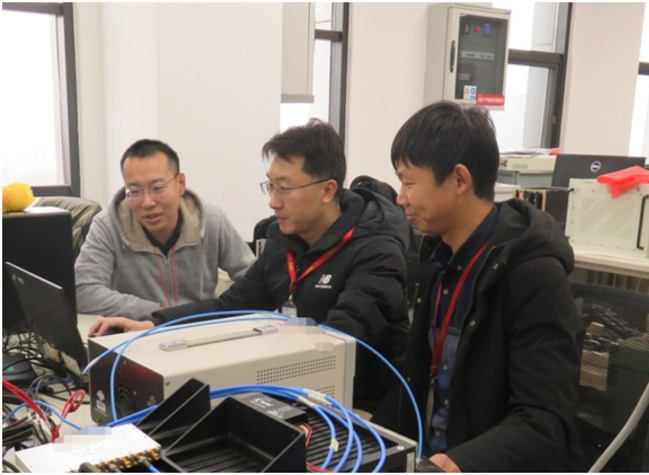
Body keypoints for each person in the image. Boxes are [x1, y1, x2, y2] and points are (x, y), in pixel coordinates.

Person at [89, 120, 412, 412]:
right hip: (296, 394)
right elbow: (230, 306)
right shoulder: (284, 242)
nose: (272, 201)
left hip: (360, 409)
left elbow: (339, 343)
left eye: (284, 188)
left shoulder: (376, 251)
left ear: (327, 190)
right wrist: (154, 324)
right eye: (270, 186)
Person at [385, 102, 587, 472]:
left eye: (409, 183)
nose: (401, 197)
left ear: (460, 180)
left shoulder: (534, 276)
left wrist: (460, 463)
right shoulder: (438, 258)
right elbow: (417, 379)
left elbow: (545, 421)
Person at [75, 139, 255, 320]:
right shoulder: (108, 225)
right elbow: (83, 289)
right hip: (138, 330)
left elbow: (255, 279)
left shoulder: (211, 220)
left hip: (200, 327)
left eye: (157, 188)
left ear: (180, 184)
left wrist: (216, 311)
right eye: (135, 191)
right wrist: (156, 313)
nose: (147, 202)